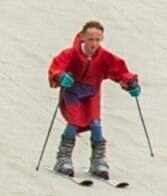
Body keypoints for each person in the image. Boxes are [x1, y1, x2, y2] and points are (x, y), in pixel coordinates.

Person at [46, 20, 140, 184]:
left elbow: (119, 70)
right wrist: (61, 77)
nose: (94, 44)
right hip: (72, 92)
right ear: (82, 37)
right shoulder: (71, 54)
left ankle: (98, 161)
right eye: (90, 39)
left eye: (97, 40)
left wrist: (130, 82)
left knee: (95, 124)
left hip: (92, 93)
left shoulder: (104, 57)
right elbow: (57, 67)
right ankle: (64, 158)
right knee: (74, 121)